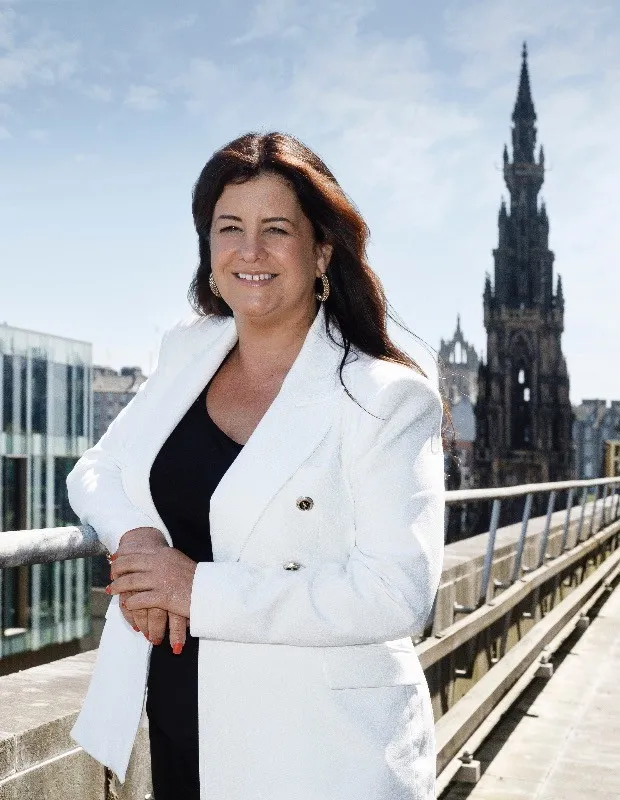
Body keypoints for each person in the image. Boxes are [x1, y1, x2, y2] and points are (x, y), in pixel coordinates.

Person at [67, 131, 446, 800]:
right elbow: (95, 469)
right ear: (207, 248)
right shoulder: (189, 351)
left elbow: (396, 593)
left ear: (321, 248)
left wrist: (194, 590)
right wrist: (138, 541)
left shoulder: (386, 397)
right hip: (182, 720)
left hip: (318, 744)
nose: (249, 252)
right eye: (229, 228)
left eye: (276, 229)